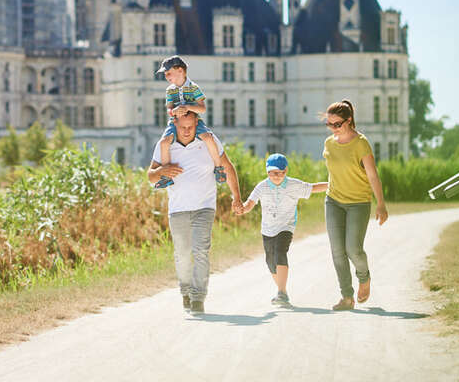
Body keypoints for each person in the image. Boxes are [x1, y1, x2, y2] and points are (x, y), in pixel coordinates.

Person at [147, 111, 242, 314]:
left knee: (201, 251)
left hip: (204, 207)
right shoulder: (165, 143)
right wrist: (162, 172)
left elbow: (228, 166)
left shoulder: (208, 139)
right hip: (178, 208)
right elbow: (150, 176)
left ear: (197, 123)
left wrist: (237, 197)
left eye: (191, 126)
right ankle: (185, 291)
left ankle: (198, 297)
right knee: (182, 254)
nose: (187, 131)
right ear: (175, 124)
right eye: (183, 127)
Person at [322, 99, 389, 311]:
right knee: (337, 250)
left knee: (353, 249)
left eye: (337, 124)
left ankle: (364, 277)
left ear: (349, 121)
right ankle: (347, 297)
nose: (333, 128)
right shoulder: (328, 143)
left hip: (358, 202)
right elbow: (334, 173)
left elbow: (372, 175)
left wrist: (381, 204)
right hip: (333, 201)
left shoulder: (361, 143)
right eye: (329, 124)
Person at [238, 153, 328, 307]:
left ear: (286, 171)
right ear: (267, 172)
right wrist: (243, 209)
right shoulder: (262, 186)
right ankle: (283, 291)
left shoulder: (294, 185)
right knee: (270, 261)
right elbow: (250, 203)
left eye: (281, 172)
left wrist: (333, 183)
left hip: (286, 227)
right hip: (267, 228)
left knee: (280, 252)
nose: (277, 176)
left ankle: (280, 293)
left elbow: (312, 187)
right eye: (274, 173)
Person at [154, 55, 226, 189]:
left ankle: (219, 168)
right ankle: (167, 176)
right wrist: (175, 111)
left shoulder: (193, 88)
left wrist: (187, 107)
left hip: (195, 121)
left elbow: (202, 108)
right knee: (164, 143)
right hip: (175, 122)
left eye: (168, 73)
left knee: (208, 138)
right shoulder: (170, 90)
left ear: (180, 70)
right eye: (165, 74)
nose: (166, 76)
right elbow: (169, 109)